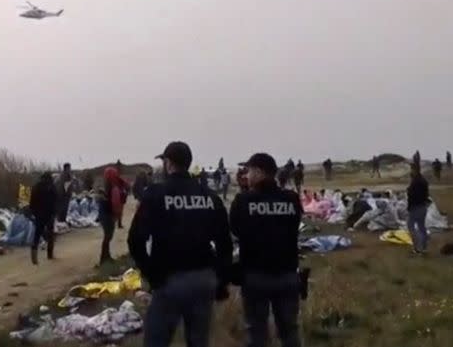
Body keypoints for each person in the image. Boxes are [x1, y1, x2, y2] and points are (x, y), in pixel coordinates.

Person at [128, 141, 232, 347]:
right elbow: (225, 244)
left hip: (169, 281)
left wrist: (152, 275)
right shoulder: (209, 196)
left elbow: (135, 240)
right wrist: (221, 280)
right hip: (204, 279)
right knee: (198, 341)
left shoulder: (156, 194)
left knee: (156, 340)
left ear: (168, 163)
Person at [230, 153, 302, 347]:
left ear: (260, 172)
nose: (246, 175)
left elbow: (236, 229)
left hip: (255, 276)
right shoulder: (292, 199)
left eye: (249, 171)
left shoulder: (243, 200)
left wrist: (246, 192)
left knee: (256, 333)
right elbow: (293, 226)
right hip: (287, 274)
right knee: (289, 331)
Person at [29, 172, 57, 265]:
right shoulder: (51, 187)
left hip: (39, 214)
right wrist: (54, 213)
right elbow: (55, 201)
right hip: (49, 214)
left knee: (37, 235)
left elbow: (32, 202)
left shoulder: (36, 187)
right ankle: (50, 254)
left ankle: (34, 257)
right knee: (50, 234)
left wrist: (34, 212)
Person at [99, 167, 124, 265]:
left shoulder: (105, 188)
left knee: (107, 236)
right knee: (108, 237)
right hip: (109, 215)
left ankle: (106, 256)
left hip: (104, 215)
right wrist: (116, 214)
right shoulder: (113, 188)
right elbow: (115, 203)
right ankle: (104, 257)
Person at [406, 164, 430, 255]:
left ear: (414, 170)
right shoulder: (423, 180)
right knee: (422, 227)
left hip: (415, 207)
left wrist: (409, 207)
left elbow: (412, 196)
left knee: (411, 226)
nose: (410, 171)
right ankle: (424, 248)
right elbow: (426, 194)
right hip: (423, 207)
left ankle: (417, 248)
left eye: (411, 169)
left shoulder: (415, 182)